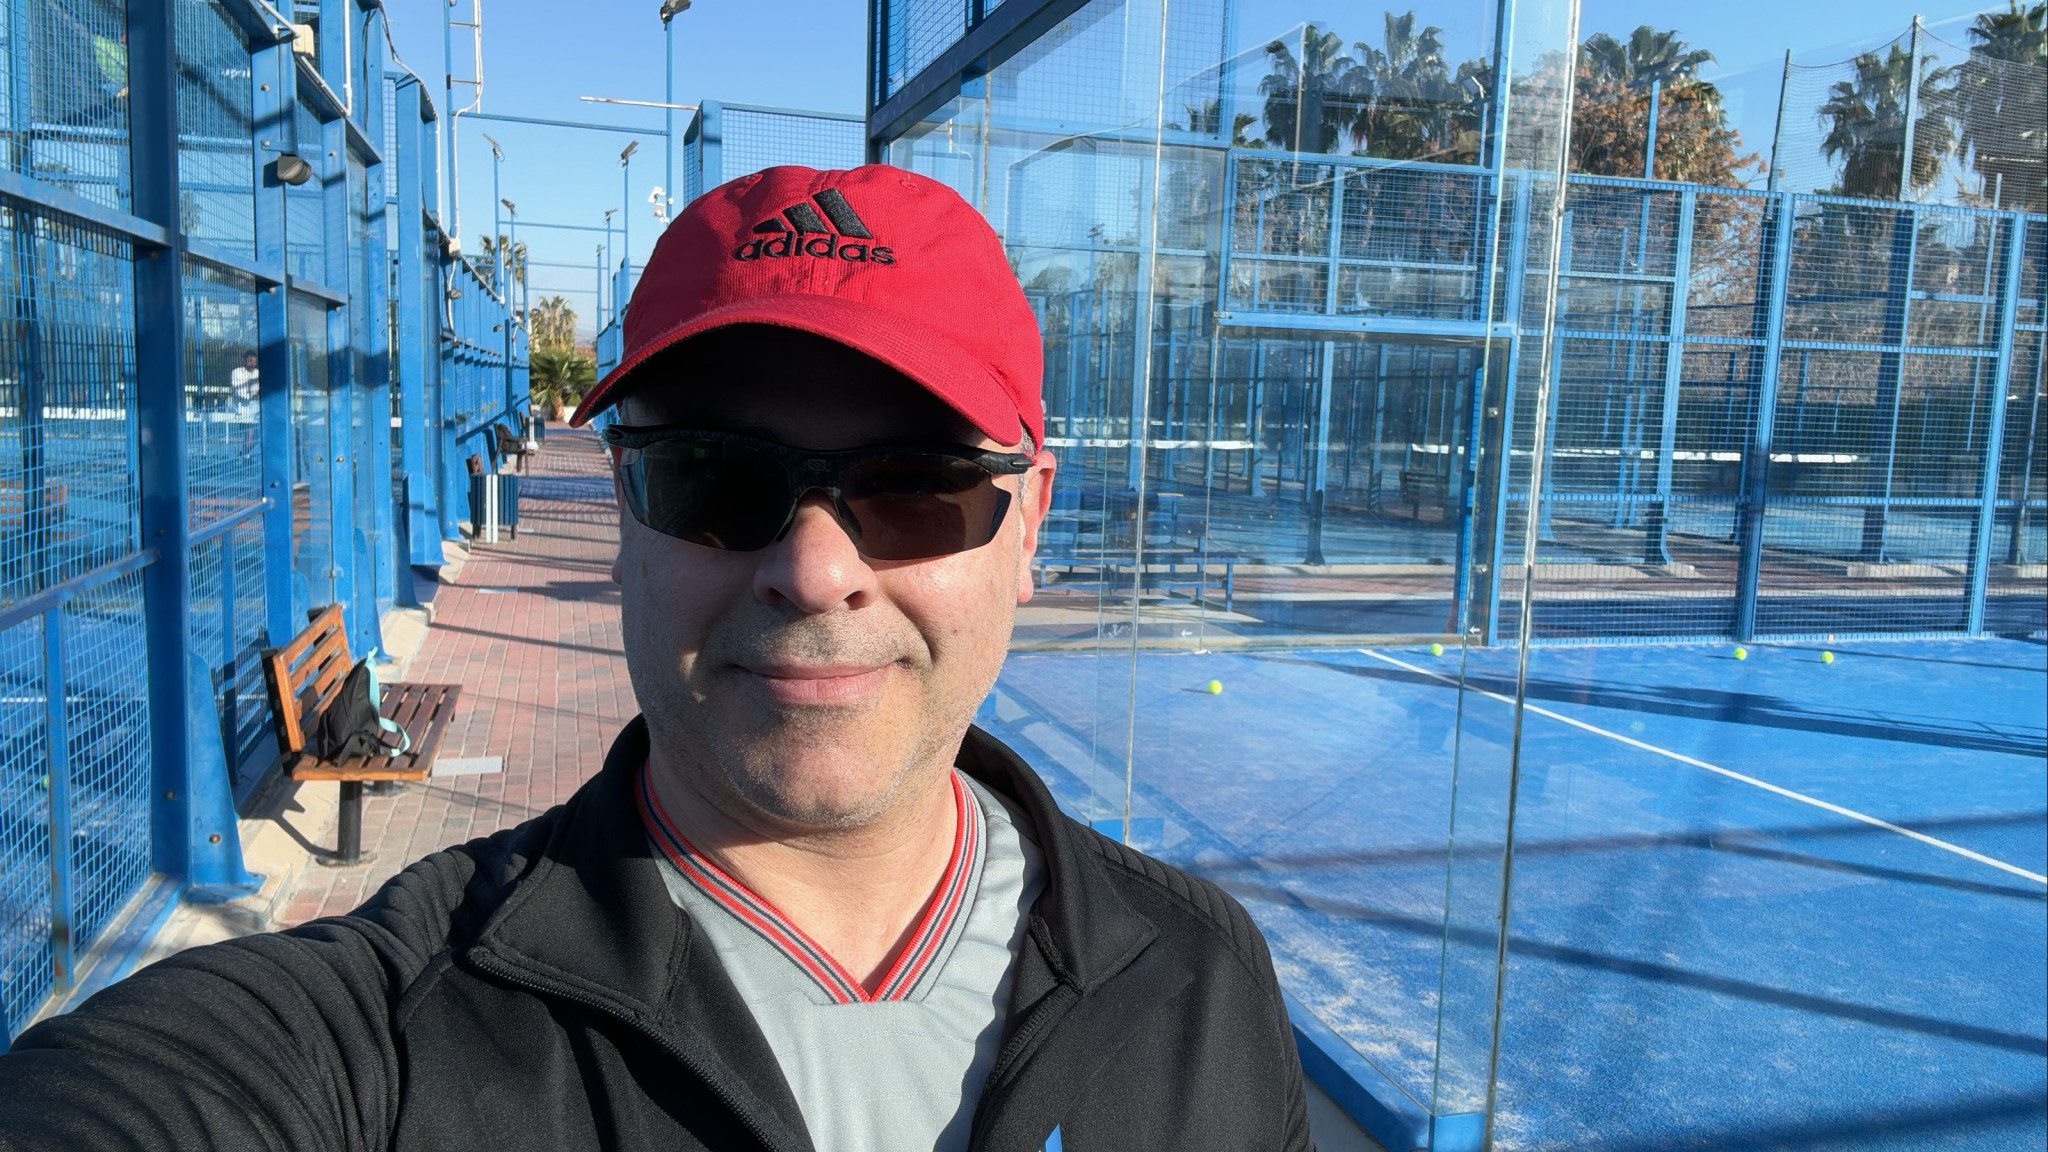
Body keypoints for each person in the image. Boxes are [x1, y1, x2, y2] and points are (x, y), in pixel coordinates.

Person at [0, 165, 1311, 1151]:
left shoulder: (1198, 977)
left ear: (1029, 525)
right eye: (712, 478)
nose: (815, 570)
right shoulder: (382, 1038)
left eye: (918, 486)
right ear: (624, 515)